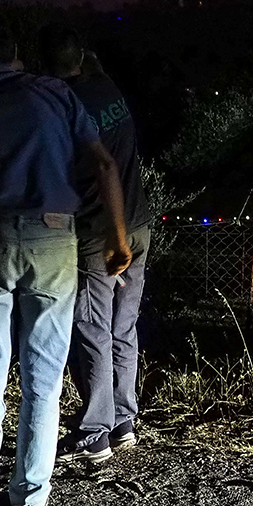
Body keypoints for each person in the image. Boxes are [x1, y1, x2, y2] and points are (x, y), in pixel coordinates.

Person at [0, 12, 131, 506]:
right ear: (15, 53)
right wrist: (118, 237)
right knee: (44, 379)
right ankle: (29, 501)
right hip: (54, 238)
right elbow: (103, 162)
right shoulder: (56, 93)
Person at [37, 25, 152, 465]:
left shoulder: (63, 104)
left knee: (91, 328)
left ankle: (93, 431)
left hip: (100, 233)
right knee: (124, 326)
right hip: (140, 222)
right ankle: (123, 419)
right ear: (82, 57)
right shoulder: (107, 87)